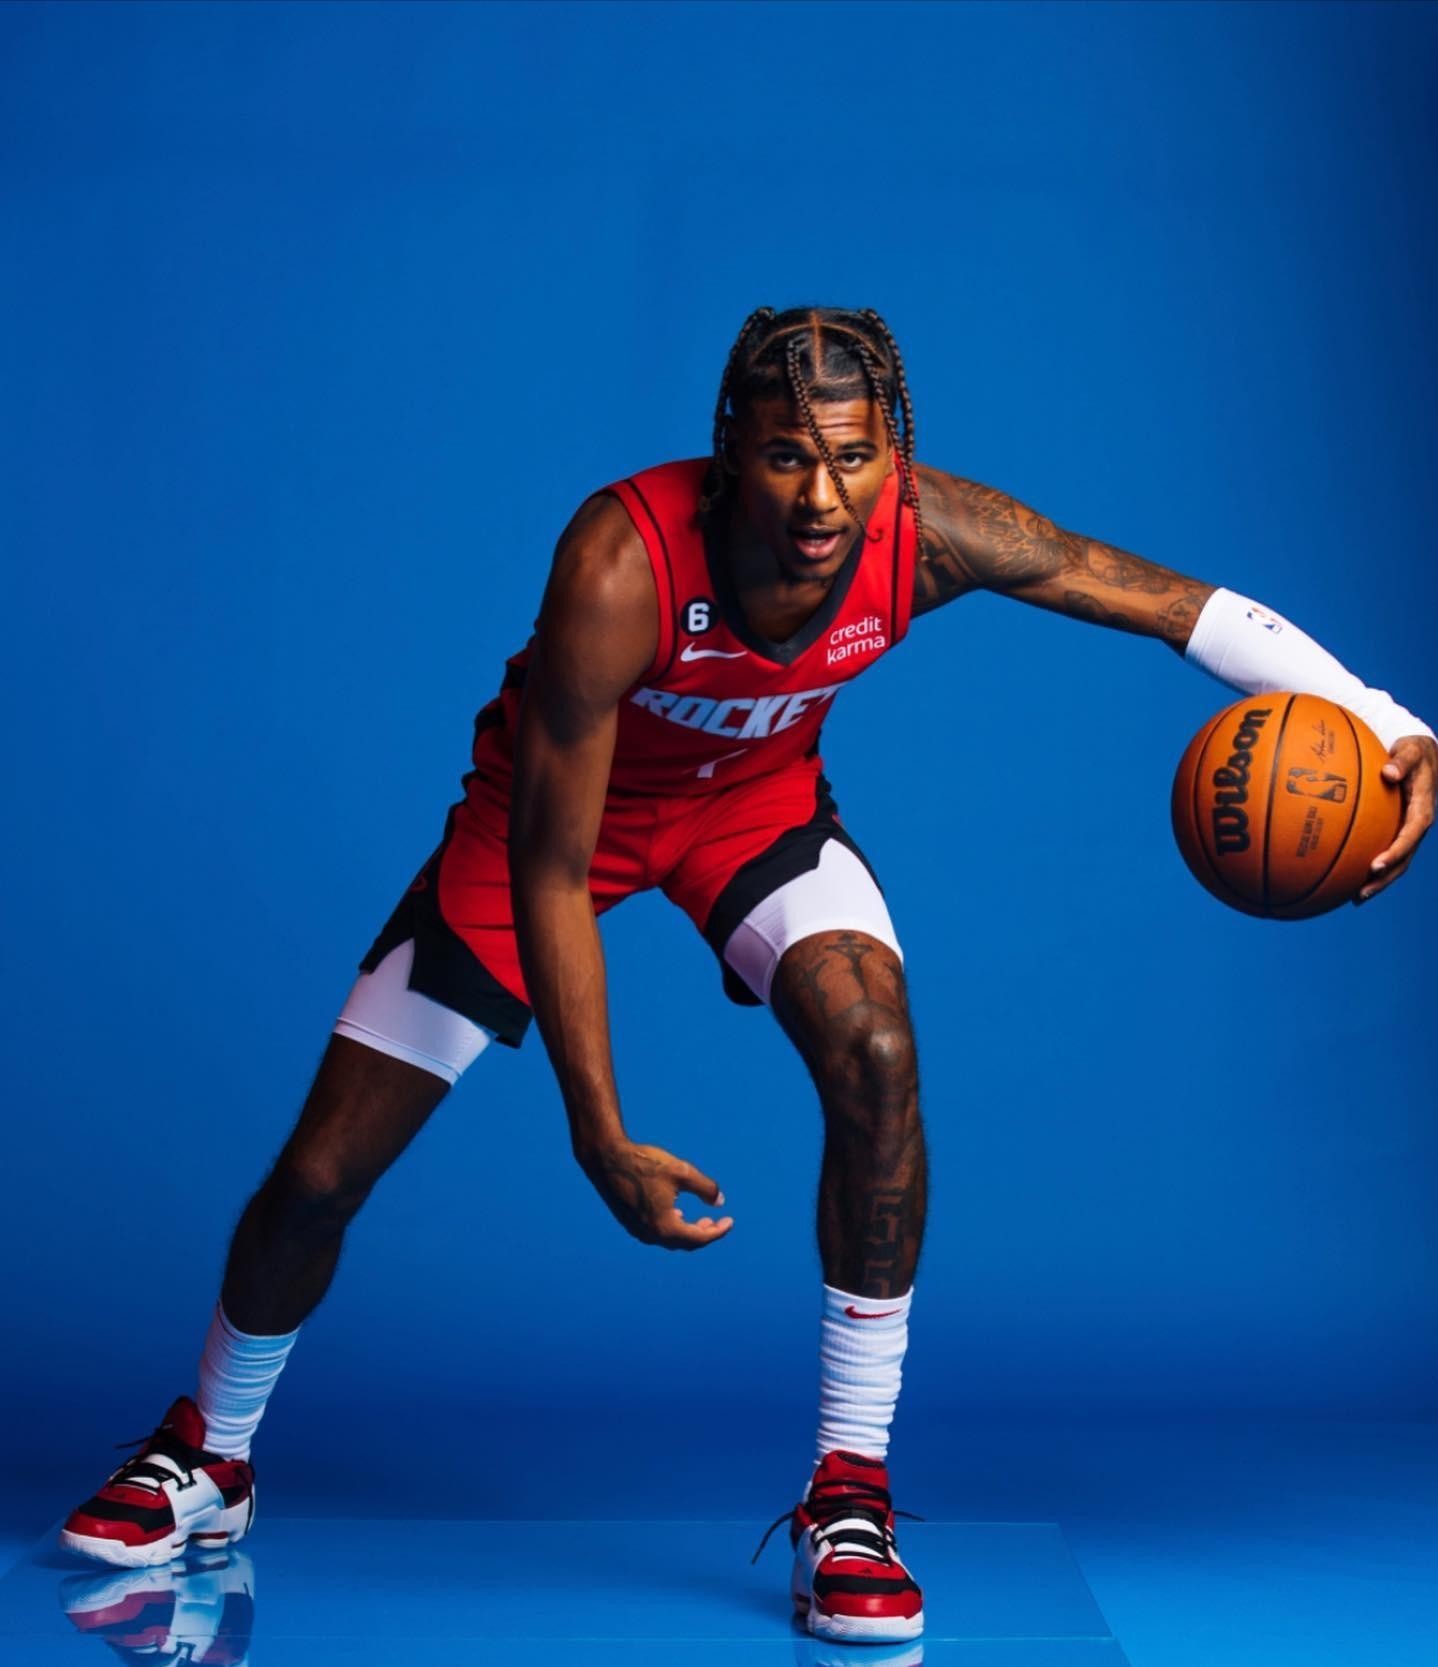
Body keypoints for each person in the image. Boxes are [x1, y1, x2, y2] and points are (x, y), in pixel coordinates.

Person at [59, 306, 1435, 1645]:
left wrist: (1382, 720)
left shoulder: (931, 532)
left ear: (892, 453)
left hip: (750, 814)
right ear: (730, 449)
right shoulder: (620, 563)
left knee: (877, 1055)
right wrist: (599, 1133)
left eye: (853, 457)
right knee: (317, 1178)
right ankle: (211, 1449)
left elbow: (1174, 607)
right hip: (553, 833)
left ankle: (851, 1495)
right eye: (787, 456)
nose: (822, 496)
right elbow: (552, 868)